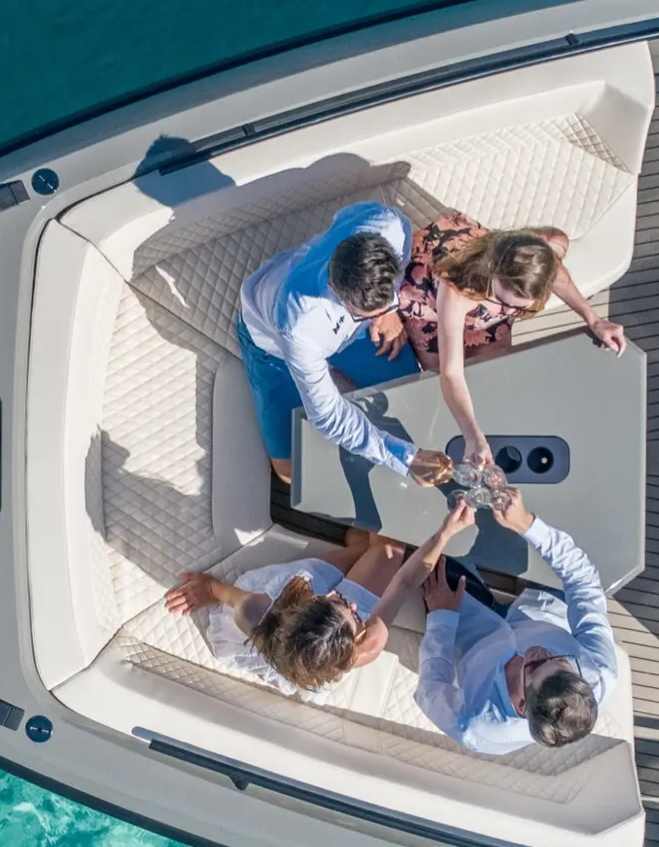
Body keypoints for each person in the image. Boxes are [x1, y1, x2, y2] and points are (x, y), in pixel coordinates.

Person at [374, 215, 626, 466]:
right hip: (430, 299)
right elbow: (451, 374)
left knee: (493, 372)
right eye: (504, 301)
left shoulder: (538, 263)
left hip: (483, 305)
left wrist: (594, 320)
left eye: (519, 307)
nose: (507, 310)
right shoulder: (456, 289)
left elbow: (560, 278)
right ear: (492, 269)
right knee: (436, 376)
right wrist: (471, 434)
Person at [238, 201, 453, 488]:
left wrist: (388, 313)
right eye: (366, 313)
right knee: (290, 469)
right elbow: (328, 415)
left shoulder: (387, 223)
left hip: (354, 330)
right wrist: (404, 459)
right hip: (273, 347)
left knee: (416, 397)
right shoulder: (298, 323)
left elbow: (344, 217)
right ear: (334, 290)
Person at [166, 502, 478, 699]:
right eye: (353, 614)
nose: (352, 605)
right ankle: (357, 546)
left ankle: (356, 548)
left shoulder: (255, 610)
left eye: (337, 601)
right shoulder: (366, 644)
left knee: (370, 551)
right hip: (317, 653)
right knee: (390, 552)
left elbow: (223, 594)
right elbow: (404, 582)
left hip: (286, 627)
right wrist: (445, 534)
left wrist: (209, 588)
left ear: (302, 604)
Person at [413, 488, 615, 752]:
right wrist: (526, 523)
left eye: (535, 664)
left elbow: (430, 689)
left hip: (473, 635)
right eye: (560, 659)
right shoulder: (599, 671)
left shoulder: (476, 726)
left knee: (423, 539)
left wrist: (441, 619)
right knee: (558, 513)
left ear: (522, 706)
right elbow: (583, 581)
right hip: (544, 610)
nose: (540, 651)